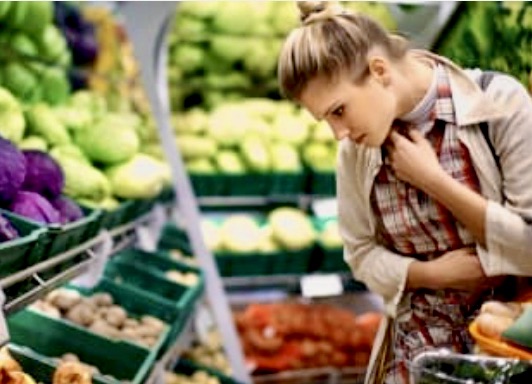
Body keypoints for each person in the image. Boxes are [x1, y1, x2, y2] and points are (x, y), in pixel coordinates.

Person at [277, 1, 532, 383]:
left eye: (339, 111)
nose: (338, 133)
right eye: (326, 120)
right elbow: (360, 252)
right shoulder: (356, 154)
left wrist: (435, 182)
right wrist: (428, 274)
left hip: (503, 357)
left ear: (379, 70)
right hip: (411, 362)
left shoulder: (499, 103)